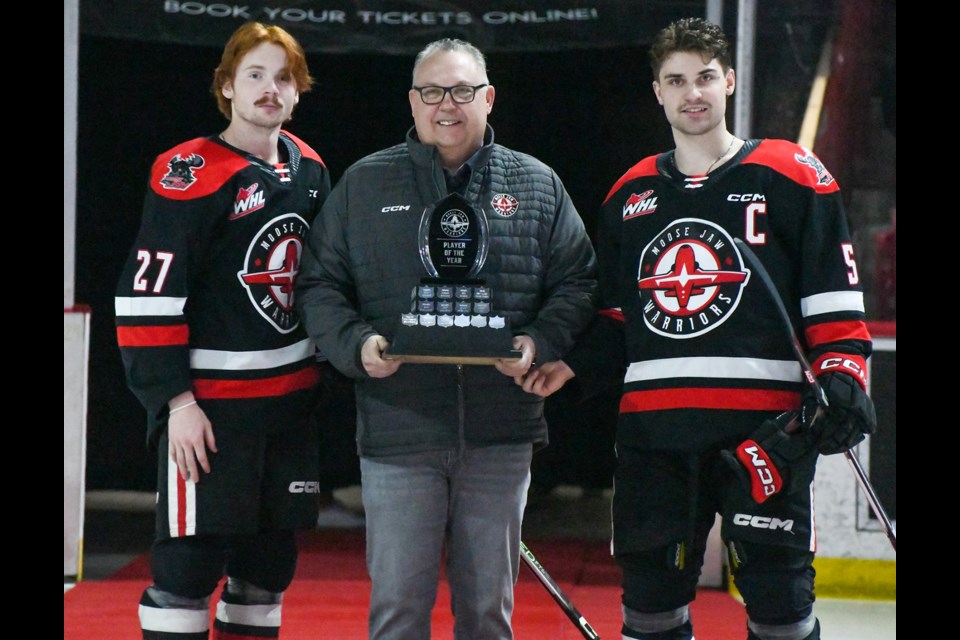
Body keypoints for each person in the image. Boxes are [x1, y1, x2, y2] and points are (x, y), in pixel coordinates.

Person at [519, 17, 876, 640]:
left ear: (729, 81)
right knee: (650, 606)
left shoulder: (791, 173)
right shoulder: (631, 193)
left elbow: (834, 301)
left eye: (705, 77)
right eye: (676, 80)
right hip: (655, 439)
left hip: (764, 435)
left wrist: (844, 377)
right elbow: (615, 315)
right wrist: (572, 364)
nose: (693, 93)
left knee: (780, 603)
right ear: (657, 91)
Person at [295, 38, 597, 639]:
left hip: (501, 435)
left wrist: (540, 341)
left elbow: (577, 282)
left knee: (487, 614)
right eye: (432, 92)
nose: (447, 105)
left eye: (462, 91)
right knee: (399, 612)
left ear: (487, 97)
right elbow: (318, 284)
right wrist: (355, 346)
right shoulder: (364, 185)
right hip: (398, 431)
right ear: (413, 101)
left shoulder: (536, 184)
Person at [114, 22, 332, 640]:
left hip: (288, 409)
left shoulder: (310, 168)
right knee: (188, 564)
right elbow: (146, 296)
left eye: (282, 78)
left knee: (268, 567)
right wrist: (173, 401)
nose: (269, 89)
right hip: (211, 412)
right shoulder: (190, 171)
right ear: (227, 87)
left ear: (298, 91)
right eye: (255, 75)